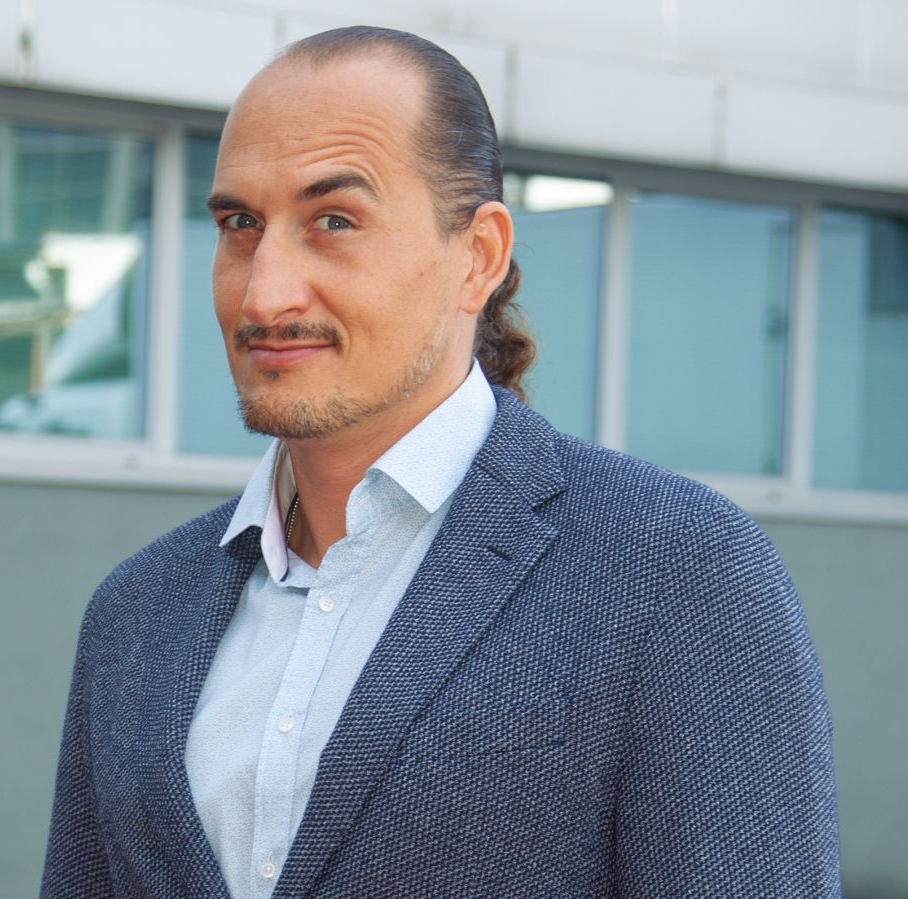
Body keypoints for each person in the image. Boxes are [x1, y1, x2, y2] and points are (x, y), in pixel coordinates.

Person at [41, 25, 840, 898]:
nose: (264, 292)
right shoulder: (133, 612)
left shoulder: (678, 572)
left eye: (334, 220)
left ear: (478, 257)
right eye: (241, 224)